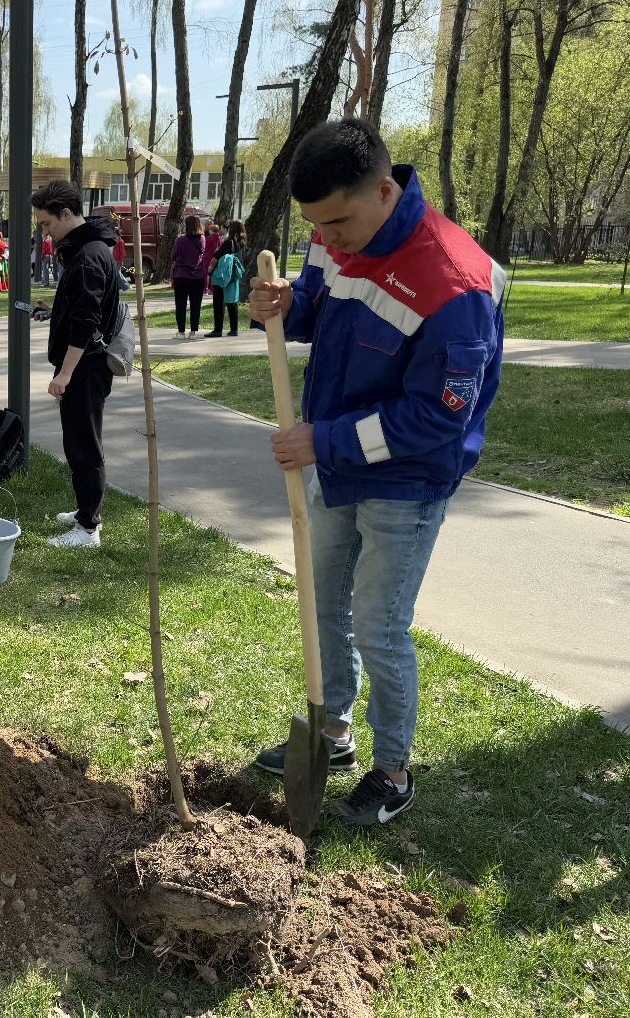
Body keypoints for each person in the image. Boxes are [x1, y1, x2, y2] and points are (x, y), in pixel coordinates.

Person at [248, 118, 504, 826]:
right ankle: (332, 733)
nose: (325, 241)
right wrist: (290, 304)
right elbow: (326, 309)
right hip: (335, 462)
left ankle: (393, 770)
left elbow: (437, 419)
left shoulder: (456, 285)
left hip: (406, 480)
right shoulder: (337, 237)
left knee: (379, 622)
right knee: (325, 598)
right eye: (314, 228)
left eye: (336, 223)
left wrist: (322, 439)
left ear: (385, 190)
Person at [31, 179, 119, 549]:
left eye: (47, 223)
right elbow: (82, 307)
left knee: (85, 444)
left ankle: (88, 528)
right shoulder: (86, 250)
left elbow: (87, 322)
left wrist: (64, 374)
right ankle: (85, 510)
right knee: (77, 440)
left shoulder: (88, 257)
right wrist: (55, 312)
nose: (45, 231)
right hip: (84, 364)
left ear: (66, 214)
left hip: (86, 366)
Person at [170, 214, 207, 340]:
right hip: (198, 276)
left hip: (182, 275)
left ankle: (181, 332)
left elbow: (173, 255)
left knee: (181, 305)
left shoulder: (181, 240)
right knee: (196, 304)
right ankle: (193, 332)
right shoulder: (202, 239)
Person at [206, 220, 246, 337]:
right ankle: (234, 329)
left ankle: (218, 330)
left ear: (231, 229)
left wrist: (210, 269)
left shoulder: (229, 243)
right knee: (232, 301)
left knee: (219, 301)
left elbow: (216, 258)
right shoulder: (242, 243)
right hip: (234, 274)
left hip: (223, 275)